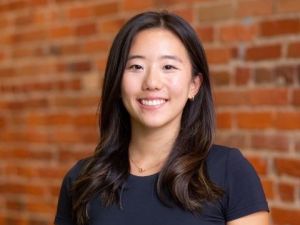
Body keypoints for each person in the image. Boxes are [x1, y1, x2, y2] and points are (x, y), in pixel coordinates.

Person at [54, 11, 269, 225]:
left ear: (193, 85)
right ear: (118, 82)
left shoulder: (229, 170)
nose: (152, 82)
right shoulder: (82, 179)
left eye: (168, 67)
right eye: (136, 67)